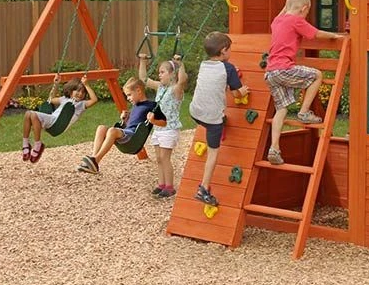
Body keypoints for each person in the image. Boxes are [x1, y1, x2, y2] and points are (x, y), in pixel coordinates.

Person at [264, 0, 344, 166]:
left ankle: (274, 148)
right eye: (307, 11)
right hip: (284, 69)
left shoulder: (277, 20)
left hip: (270, 73)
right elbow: (316, 33)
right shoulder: (297, 20)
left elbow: (285, 10)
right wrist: (334, 36)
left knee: (281, 109)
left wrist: (288, 4)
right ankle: (304, 112)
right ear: (304, 8)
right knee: (317, 75)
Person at [188, 32, 248, 206]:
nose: (231, 52)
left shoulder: (203, 64)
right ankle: (203, 189)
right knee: (213, 152)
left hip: (195, 112)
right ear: (223, 51)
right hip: (212, 119)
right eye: (230, 49)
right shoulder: (228, 68)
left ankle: (221, 122)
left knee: (216, 119)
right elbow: (236, 93)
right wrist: (243, 91)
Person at [76, 76, 152, 174]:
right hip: (127, 133)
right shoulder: (135, 106)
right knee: (101, 128)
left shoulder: (151, 105)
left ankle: (96, 161)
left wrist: (153, 119)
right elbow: (131, 124)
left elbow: (148, 124)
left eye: (129, 95)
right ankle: (93, 159)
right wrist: (124, 120)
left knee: (112, 130)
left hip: (134, 138)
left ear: (138, 91)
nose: (128, 98)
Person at [137, 53, 187, 197]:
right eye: (159, 72)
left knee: (165, 158)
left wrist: (180, 64)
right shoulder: (160, 87)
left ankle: (170, 187)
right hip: (158, 128)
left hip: (170, 129)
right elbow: (144, 79)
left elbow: (182, 80)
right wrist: (142, 61)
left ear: (172, 74)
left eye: (162, 72)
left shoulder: (176, 89)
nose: (159, 75)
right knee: (159, 158)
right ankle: (162, 184)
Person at [22, 75, 97, 163]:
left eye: (83, 92)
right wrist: (56, 84)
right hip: (52, 119)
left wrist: (86, 85)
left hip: (59, 124)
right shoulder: (64, 99)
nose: (80, 94)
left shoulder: (81, 104)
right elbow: (50, 100)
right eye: (78, 91)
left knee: (33, 115)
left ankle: (38, 144)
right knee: (28, 114)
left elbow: (94, 100)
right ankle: (25, 142)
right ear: (70, 91)